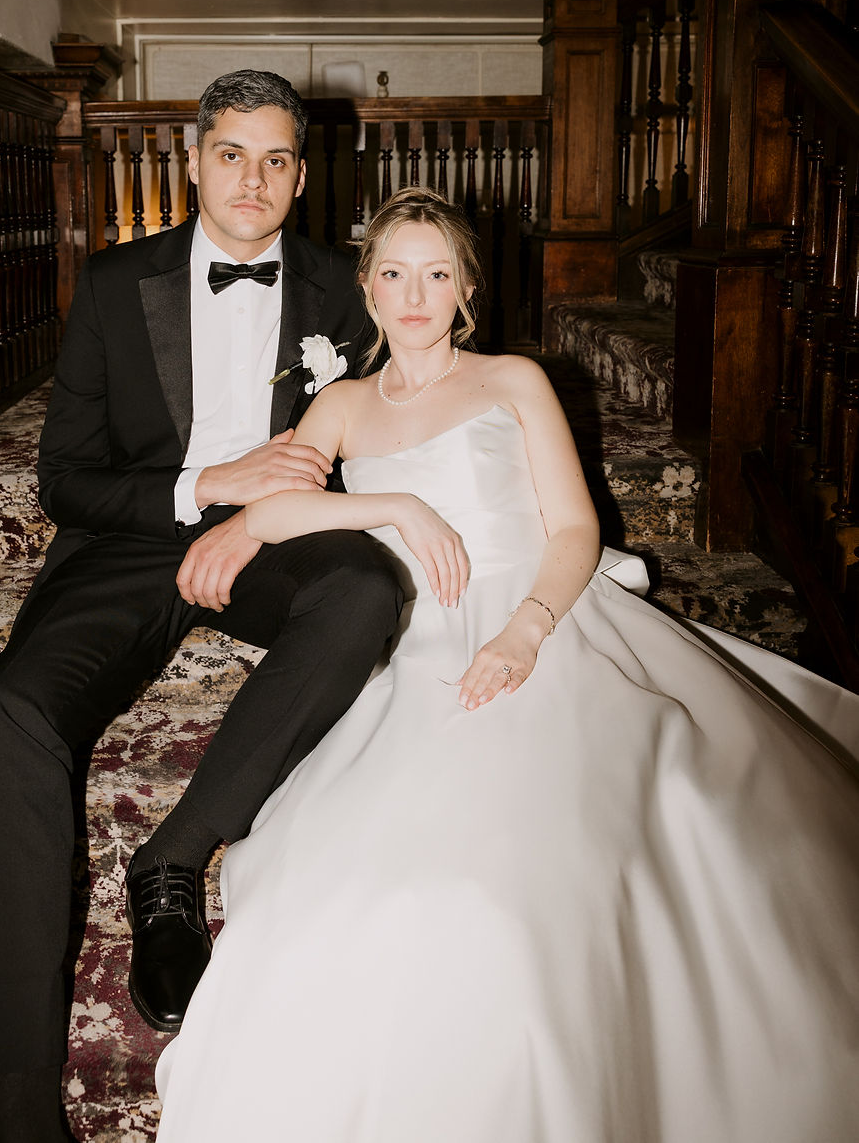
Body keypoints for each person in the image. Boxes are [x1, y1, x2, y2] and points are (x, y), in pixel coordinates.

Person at [155, 186, 859, 1143]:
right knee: (362, 883)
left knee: (554, 862)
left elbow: (574, 529)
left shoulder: (513, 381)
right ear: (366, 288)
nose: (414, 294)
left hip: (543, 621)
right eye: (395, 273)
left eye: (435, 274)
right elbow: (271, 513)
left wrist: (526, 629)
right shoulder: (342, 403)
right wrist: (391, 509)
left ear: (465, 290)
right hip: (416, 645)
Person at [0, 70, 404, 1143]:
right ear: (194, 159)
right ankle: (18, 1110)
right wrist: (203, 491)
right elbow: (61, 478)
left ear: (303, 174)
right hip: (130, 541)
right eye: (233, 154)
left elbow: (393, 428)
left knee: (363, 590)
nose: (254, 179)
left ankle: (173, 854)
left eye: (279, 158)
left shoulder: (347, 288)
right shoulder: (116, 282)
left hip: (273, 546)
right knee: (6, 717)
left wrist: (265, 516)